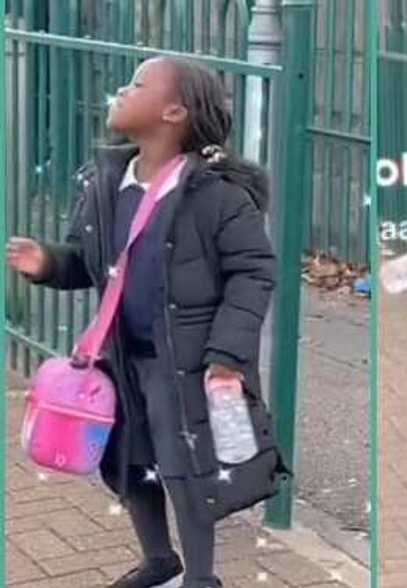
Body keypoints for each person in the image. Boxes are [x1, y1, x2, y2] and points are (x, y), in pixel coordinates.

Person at [6, 57, 286, 588]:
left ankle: (202, 577)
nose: (121, 89)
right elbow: (89, 263)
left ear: (174, 112)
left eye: (137, 84)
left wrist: (227, 354)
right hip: (122, 357)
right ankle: (160, 560)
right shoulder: (106, 183)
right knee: (131, 462)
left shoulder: (217, 194)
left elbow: (254, 274)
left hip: (187, 364)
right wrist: (48, 263)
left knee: (187, 474)